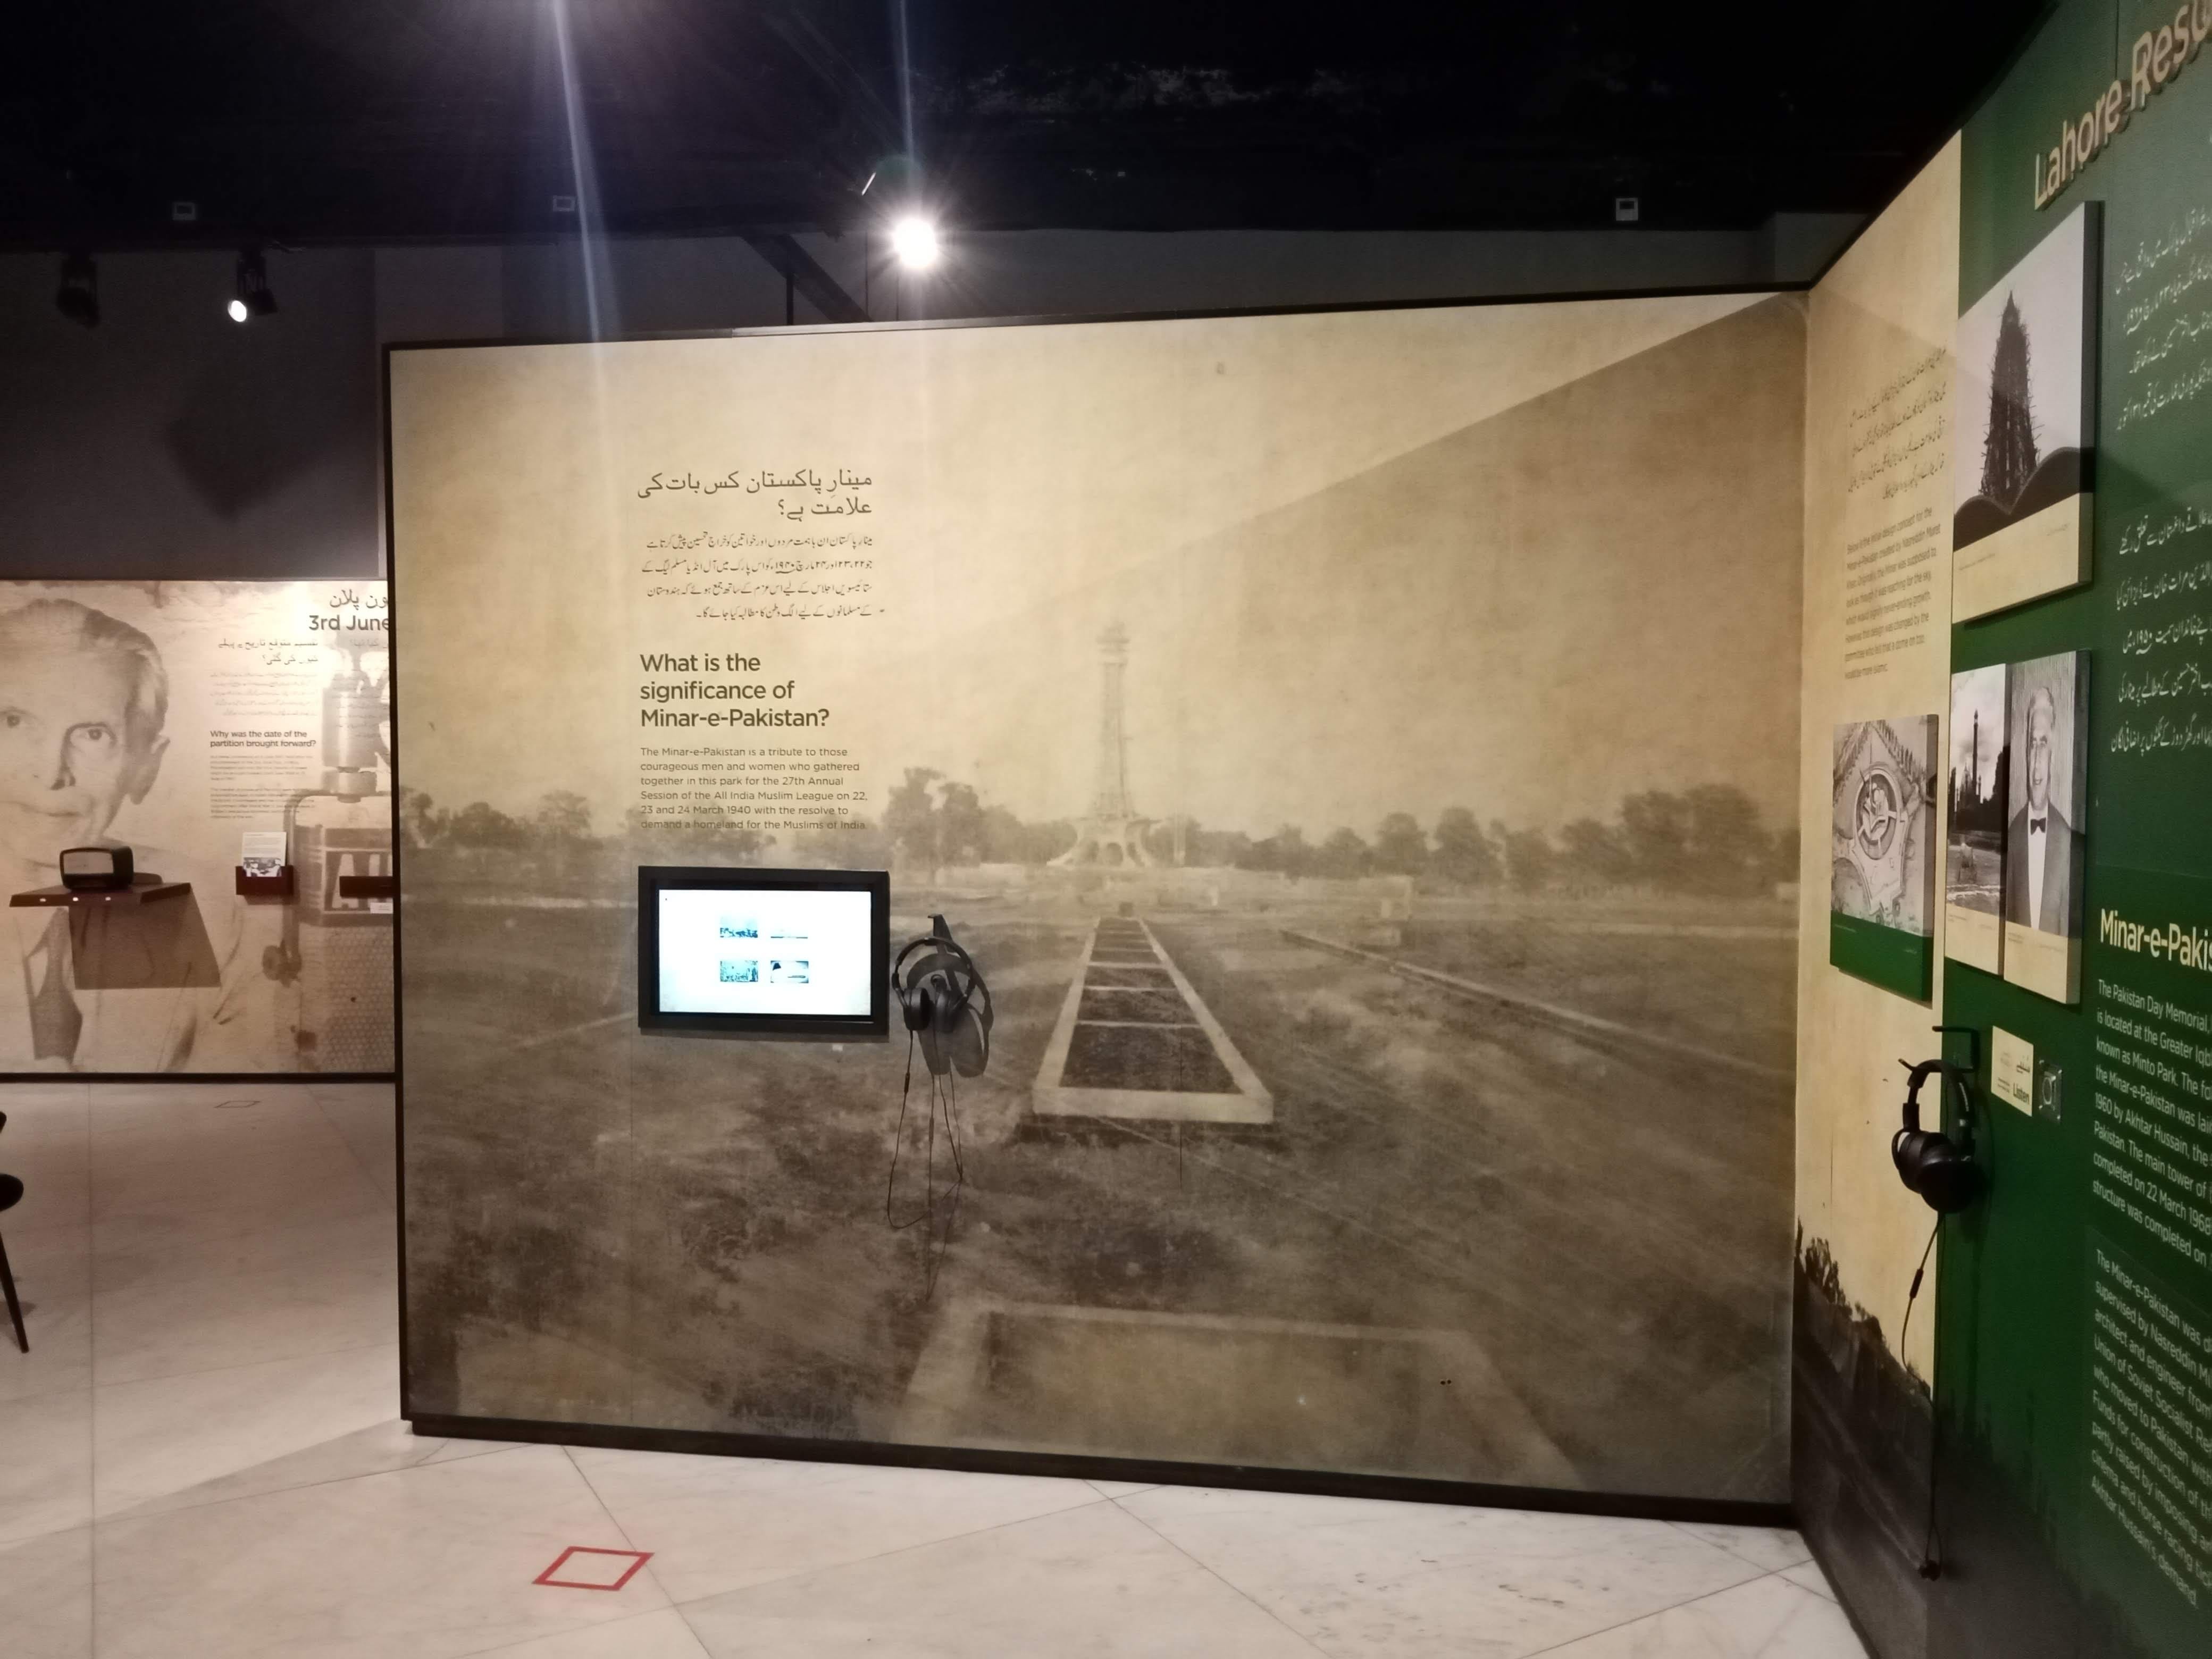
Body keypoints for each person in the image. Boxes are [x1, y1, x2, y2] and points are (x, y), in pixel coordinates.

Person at [0, 599, 259, 1069]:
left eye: (93, 734)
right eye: (14, 722)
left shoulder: (203, 905)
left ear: (146, 767)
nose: (50, 773)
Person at [2003, 683, 2075, 934]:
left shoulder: (2066, 839)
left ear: (2053, 754)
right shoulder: (2013, 834)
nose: (2036, 762)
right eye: (2032, 744)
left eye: (2043, 744)